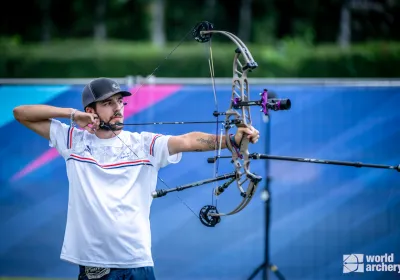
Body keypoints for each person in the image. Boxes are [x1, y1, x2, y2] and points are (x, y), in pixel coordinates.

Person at [13, 77, 260, 280]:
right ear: (92, 111)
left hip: (137, 263)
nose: (118, 108)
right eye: (108, 103)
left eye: (119, 102)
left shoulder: (143, 144)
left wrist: (231, 141)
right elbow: (21, 113)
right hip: (94, 265)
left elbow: (187, 141)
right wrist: (72, 114)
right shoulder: (73, 142)